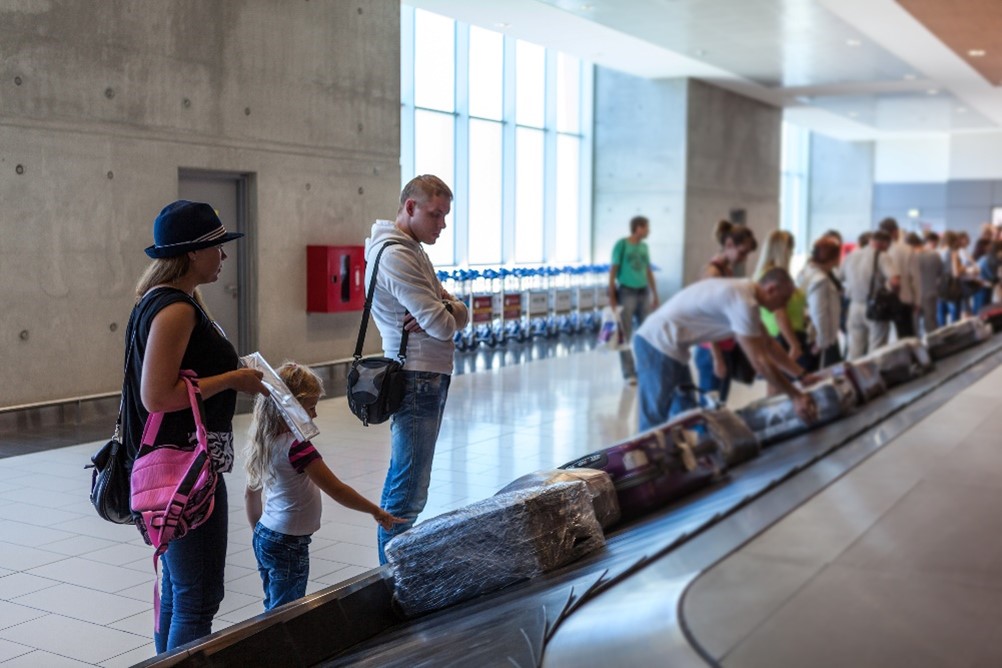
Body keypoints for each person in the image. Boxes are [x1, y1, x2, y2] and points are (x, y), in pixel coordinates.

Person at [122, 200, 269, 652]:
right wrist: (232, 379)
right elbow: (158, 397)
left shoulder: (170, 302)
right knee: (197, 597)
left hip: (182, 465)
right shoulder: (176, 310)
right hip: (186, 471)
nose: (224, 256)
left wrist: (232, 371)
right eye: (217, 247)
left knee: (181, 592)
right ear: (191, 253)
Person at [366, 174, 469, 564]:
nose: (441, 224)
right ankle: (391, 577)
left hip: (425, 374)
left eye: (445, 215)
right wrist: (447, 310)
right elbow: (444, 324)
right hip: (415, 376)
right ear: (410, 207)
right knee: (407, 490)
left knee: (410, 484)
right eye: (435, 214)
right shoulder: (396, 255)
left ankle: (395, 571)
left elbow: (453, 312)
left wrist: (449, 306)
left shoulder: (411, 249)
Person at [244, 363, 404, 611]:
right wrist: (376, 511)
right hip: (288, 542)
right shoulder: (297, 446)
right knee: (286, 611)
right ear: (290, 406)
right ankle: (278, 648)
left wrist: (259, 533)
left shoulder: (263, 440)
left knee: (273, 603)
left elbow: (250, 495)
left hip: (266, 534)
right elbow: (336, 489)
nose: (315, 415)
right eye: (311, 408)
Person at [634, 268, 818, 432]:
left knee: (686, 415)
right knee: (654, 420)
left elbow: (768, 344)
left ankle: (687, 460)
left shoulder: (745, 294)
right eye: (783, 300)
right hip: (657, 342)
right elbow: (760, 362)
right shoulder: (744, 301)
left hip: (672, 346)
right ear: (771, 289)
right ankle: (643, 468)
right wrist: (796, 395)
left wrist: (801, 375)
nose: (782, 306)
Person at [693, 220, 758, 404]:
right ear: (729, 245)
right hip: (712, 350)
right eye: (742, 252)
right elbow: (707, 318)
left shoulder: (726, 272)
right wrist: (717, 357)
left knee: (719, 405)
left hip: (724, 347)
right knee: (710, 408)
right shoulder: (712, 273)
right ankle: (705, 434)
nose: (744, 259)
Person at [608, 215, 660, 385]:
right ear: (638, 228)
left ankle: (645, 368)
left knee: (646, 332)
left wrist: (655, 293)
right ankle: (629, 372)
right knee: (625, 333)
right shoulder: (621, 245)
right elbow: (613, 270)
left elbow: (648, 270)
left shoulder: (644, 247)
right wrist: (612, 295)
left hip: (643, 291)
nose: (649, 231)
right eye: (646, 227)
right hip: (626, 291)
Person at [755, 230, 810, 389]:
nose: (792, 254)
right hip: (784, 337)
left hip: (785, 335)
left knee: (780, 386)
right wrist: (794, 345)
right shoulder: (774, 277)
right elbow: (779, 313)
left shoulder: (771, 274)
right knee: (780, 387)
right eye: (791, 250)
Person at [842, 229, 899, 359]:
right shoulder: (882, 256)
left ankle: (854, 377)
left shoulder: (851, 256)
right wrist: (892, 295)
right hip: (875, 306)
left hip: (854, 306)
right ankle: (874, 377)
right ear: (885, 244)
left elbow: (840, 278)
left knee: (855, 349)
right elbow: (895, 281)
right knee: (877, 349)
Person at [797, 236, 843, 370]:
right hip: (819, 338)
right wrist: (821, 342)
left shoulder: (807, 271)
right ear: (834, 257)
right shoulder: (820, 280)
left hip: (811, 334)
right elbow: (819, 312)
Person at [879, 217, 917, 338]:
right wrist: (917, 301)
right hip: (903, 299)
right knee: (906, 337)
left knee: (882, 339)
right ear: (895, 231)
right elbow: (915, 278)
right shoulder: (907, 250)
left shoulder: (876, 251)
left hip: (882, 301)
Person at [913, 232, 943, 336]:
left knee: (915, 325)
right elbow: (940, 273)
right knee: (931, 324)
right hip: (931, 292)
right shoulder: (935, 255)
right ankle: (935, 346)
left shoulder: (912, 257)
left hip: (914, 296)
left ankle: (917, 348)